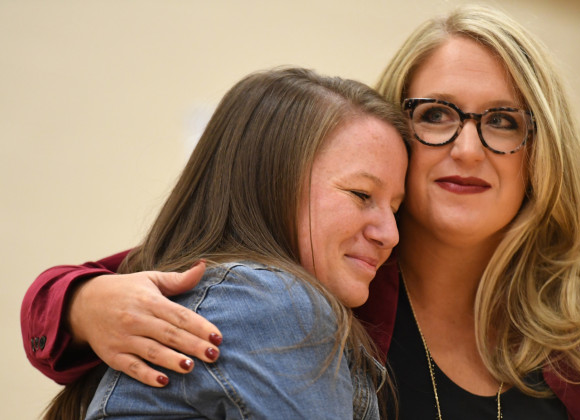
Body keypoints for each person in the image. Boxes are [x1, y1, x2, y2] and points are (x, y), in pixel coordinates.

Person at [22, 5, 580, 419]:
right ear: (399, 130)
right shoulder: (330, 274)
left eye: (503, 122)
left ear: (543, 150)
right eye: (437, 115)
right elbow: (140, 285)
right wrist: (84, 302)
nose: (467, 147)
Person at [38, 67, 410, 419]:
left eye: (396, 209)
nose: (390, 235)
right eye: (362, 194)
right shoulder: (274, 302)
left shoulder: (227, 295)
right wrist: (79, 303)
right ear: (272, 184)